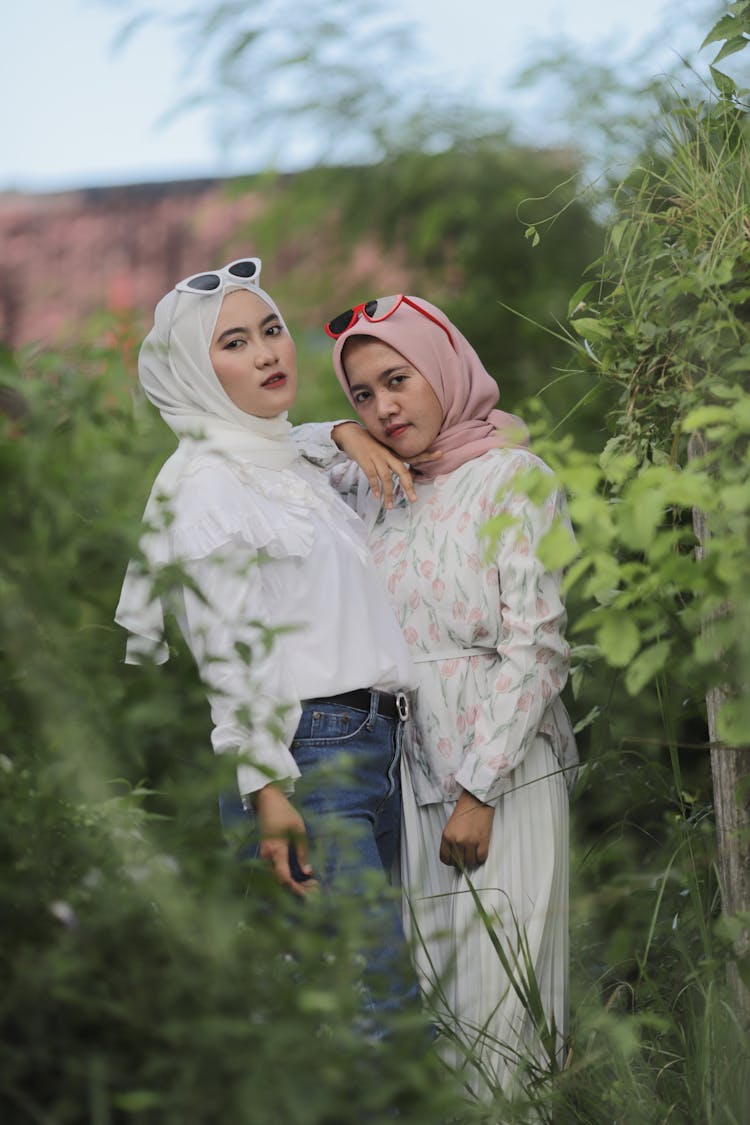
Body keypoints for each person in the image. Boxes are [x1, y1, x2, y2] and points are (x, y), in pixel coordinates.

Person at [114, 259, 422, 1028]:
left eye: (273, 330)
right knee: (369, 1002)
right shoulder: (206, 484)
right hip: (304, 758)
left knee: (359, 996)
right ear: (192, 370)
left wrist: (345, 428)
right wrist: (267, 790)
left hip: (365, 748)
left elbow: (298, 444)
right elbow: (230, 648)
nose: (267, 353)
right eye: (235, 343)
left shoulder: (281, 462)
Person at [320, 294, 579, 1100]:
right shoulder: (373, 488)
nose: (384, 408)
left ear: (441, 366)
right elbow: (258, 457)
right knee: (434, 1023)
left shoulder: (514, 477)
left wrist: (481, 787)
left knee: (504, 1026)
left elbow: (536, 642)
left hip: (500, 780)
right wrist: (338, 436)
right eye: (362, 395)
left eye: (397, 379)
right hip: (404, 779)